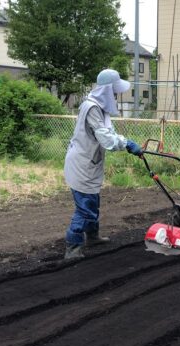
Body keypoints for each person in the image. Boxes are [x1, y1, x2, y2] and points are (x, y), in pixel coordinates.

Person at [63, 69, 143, 260]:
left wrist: (126, 141)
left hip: (89, 162)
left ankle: (92, 237)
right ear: (108, 90)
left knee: (93, 202)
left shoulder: (100, 107)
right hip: (82, 164)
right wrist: (127, 144)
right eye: (115, 91)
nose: (117, 94)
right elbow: (107, 140)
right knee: (85, 207)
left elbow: (111, 133)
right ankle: (72, 248)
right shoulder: (92, 108)